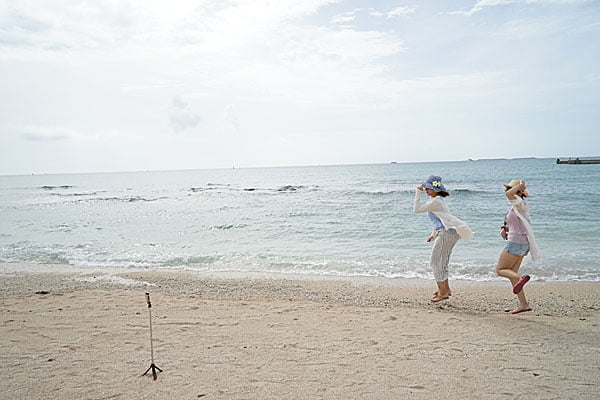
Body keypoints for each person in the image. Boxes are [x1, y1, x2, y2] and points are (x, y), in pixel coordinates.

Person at [414, 176, 474, 302]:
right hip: (449, 232)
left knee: (435, 262)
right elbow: (440, 219)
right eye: (426, 188)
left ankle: (443, 293)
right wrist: (433, 234)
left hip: (446, 233)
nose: (426, 190)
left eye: (428, 188)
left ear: (436, 189)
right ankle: (445, 289)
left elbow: (416, 209)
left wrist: (418, 192)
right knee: (443, 262)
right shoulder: (438, 200)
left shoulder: (435, 201)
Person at [496, 179, 540, 314]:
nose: (507, 191)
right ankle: (524, 304)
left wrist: (519, 187)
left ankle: (521, 279)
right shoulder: (519, 204)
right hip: (522, 243)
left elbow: (508, 195)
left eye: (509, 188)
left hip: (515, 242)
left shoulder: (518, 202)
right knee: (512, 275)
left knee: (500, 270)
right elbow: (520, 223)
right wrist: (507, 227)